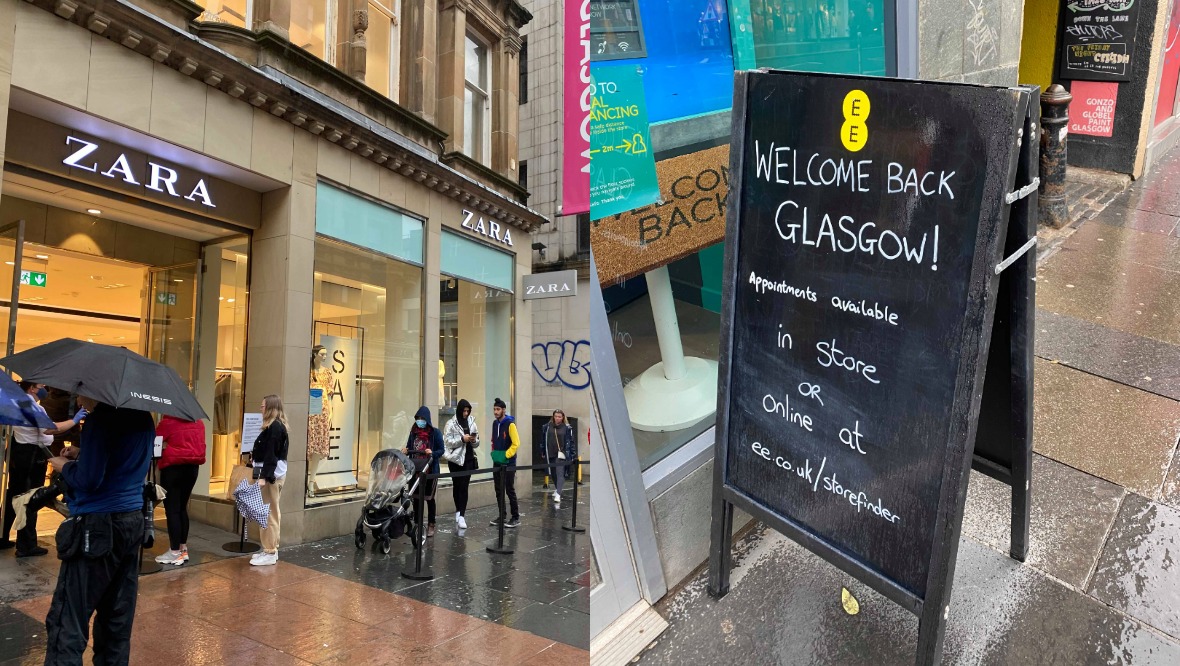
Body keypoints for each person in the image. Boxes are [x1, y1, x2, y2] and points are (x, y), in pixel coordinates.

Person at [44, 396, 154, 664]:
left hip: (96, 526)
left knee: (69, 618)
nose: (80, 398)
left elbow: (89, 480)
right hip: (131, 521)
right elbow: (121, 459)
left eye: (83, 391)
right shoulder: (144, 418)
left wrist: (65, 466)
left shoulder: (99, 421)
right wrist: (83, 454)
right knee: (116, 618)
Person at [0, 382, 86, 557]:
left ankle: (1, 536)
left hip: (21, 452)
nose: (45, 388)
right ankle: (26, 545)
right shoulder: (29, 405)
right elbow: (50, 428)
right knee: (31, 497)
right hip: (31, 455)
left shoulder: (20, 402)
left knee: (15, 494)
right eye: (40, 385)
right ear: (32, 388)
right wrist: (75, 420)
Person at [153, 416, 206, 566]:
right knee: (182, 508)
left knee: (172, 510)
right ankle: (183, 549)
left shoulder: (168, 422)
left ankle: (174, 552)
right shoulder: (199, 423)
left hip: (173, 469)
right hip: (192, 469)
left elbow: (155, 441)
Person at [250, 395, 289, 567]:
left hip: (270, 477)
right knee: (267, 512)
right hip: (270, 475)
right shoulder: (274, 427)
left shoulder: (274, 428)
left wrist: (264, 477)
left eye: (263, 406)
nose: (261, 408)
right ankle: (268, 549)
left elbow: (271, 455)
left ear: (271, 408)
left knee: (270, 513)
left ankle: (270, 551)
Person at [404, 406, 443, 537]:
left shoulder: (435, 433)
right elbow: (409, 447)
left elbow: (441, 450)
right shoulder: (413, 432)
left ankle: (431, 523)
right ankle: (417, 524)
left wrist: (432, 453)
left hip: (429, 470)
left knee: (429, 498)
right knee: (416, 498)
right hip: (416, 470)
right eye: (418, 418)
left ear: (427, 419)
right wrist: (406, 450)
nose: (420, 421)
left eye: (422, 418)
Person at [442, 399, 479, 530]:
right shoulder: (451, 424)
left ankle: (462, 515)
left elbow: (477, 442)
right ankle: (458, 510)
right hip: (455, 460)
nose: (466, 413)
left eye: (468, 411)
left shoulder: (471, 422)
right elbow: (447, 441)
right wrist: (462, 439)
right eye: (464, 410)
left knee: (464, 486)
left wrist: (474, 440)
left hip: (468, 459)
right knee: (457, 486)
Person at [489, 398, 520, 528]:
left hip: (509, 462)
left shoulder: (510, 424)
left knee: (509, 489)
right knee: (498, 489)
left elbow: (516, 443)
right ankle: (502, 515)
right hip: (497, 461)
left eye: (498, 409)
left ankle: (515, 517)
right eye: (494, 409)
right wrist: (494, 453)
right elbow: (493, 440)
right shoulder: (495, 424)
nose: (496, 412)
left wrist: (505, 455)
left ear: (503, 410)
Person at [541, 409, 574, 505]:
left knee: (560, 473)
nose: (557, 418)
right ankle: (557, 489)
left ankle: (558, 494)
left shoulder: (567, 428)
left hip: (561, 453)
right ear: (553, 417)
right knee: (553, 473)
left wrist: (572, 454)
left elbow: (571, 442)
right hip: (550, 452)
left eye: (559, 416)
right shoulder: (547, 427)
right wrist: (543, 450)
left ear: (563, 417)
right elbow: (543, 440)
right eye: (556, 416)